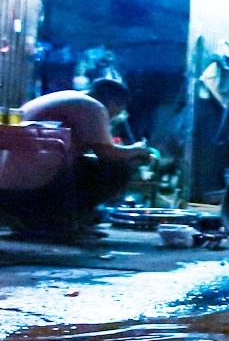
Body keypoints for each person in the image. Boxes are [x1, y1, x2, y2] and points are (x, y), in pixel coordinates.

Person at [13, 79, 152, 237]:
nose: (114, 118)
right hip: (38, 179)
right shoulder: (92, 107)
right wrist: (137, 150)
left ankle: (56, 220)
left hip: (17, 176)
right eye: (117, 112)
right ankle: (61, 221)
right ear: (114, 103)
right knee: (118, 169)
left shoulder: (69, 98)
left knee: (94, 164)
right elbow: (107, 153)